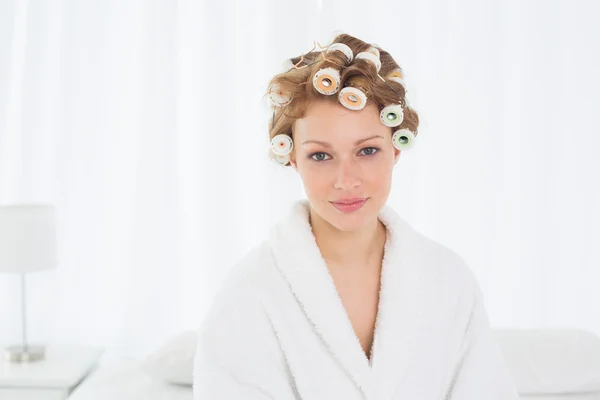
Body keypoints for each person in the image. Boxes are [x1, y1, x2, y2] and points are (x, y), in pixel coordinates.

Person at [193, 33, 519, 399]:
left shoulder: (448, 280)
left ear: (396, 149)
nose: (346, 181)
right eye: (320, 155)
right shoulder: (249, 293)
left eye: (367, 151)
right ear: (293, 158)